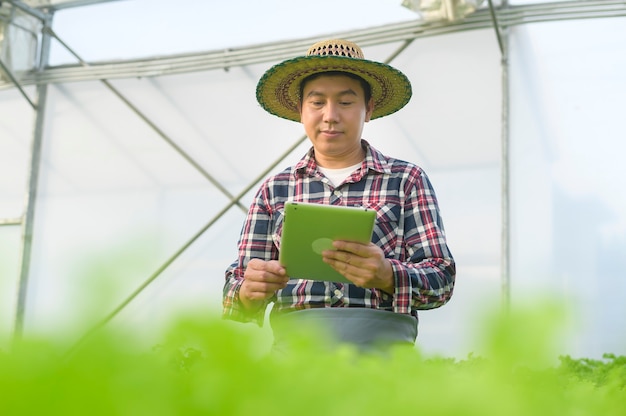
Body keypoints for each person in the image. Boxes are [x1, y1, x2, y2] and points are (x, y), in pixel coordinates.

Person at [223, 39, 455, 354]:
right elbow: (237, 287)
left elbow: (441, 279)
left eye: (346, 102)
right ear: (300, 110)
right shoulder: (275, 189)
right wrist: (249, 291)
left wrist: (388, 275)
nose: (330, 115)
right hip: (294, 360)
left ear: (368, 109)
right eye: (317, 102)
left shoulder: (406, 180)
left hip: (384, 360)